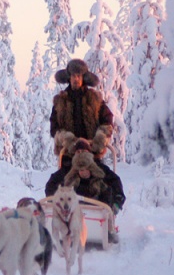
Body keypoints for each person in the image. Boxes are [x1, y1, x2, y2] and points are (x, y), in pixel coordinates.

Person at [44, 59, 125, 241]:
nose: (76, 79)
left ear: (84, 78)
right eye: (73, 75)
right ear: (68, 77)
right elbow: (54, 129)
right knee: (52, 185)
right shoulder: (60, 101)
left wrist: (99, 138)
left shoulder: (95, 99)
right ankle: (58, 219)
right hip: (70, 157)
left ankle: (110, 218)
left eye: (79, 75)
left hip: (93, 157)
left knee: (113, 183)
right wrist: (67, 139)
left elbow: (107, 121)